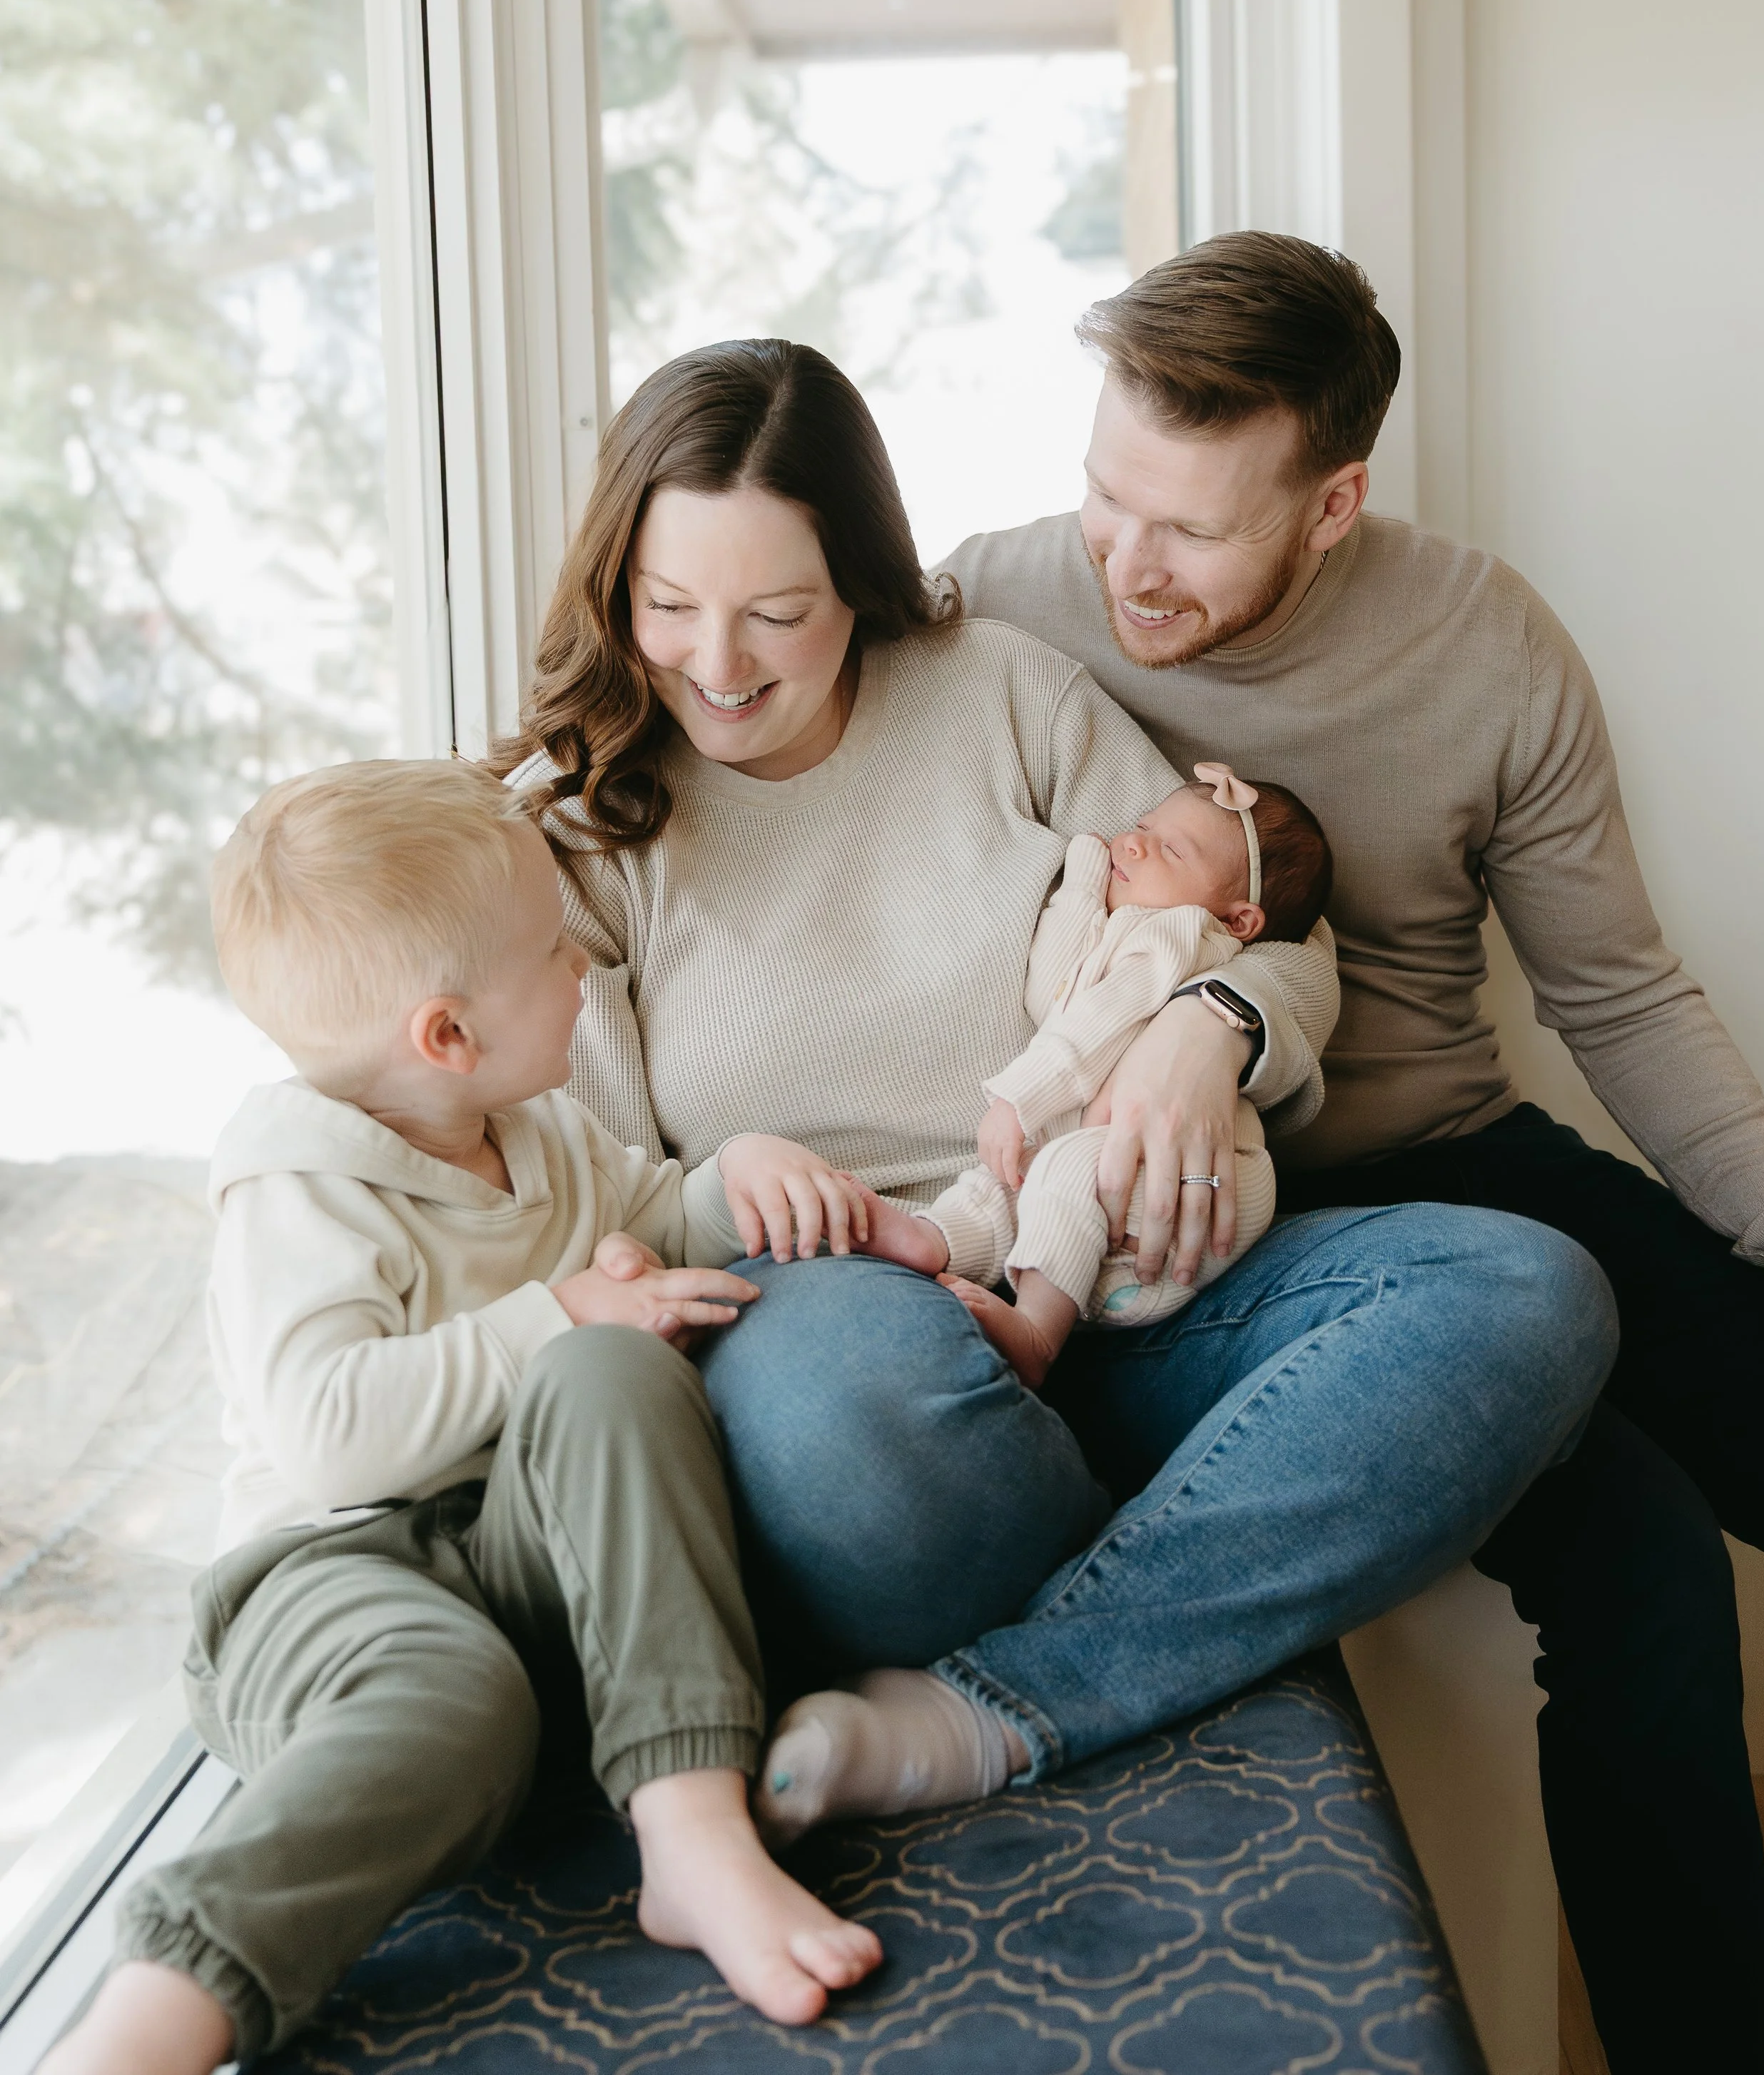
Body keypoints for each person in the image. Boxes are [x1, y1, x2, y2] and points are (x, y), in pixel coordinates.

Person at [494, 338, 1615, 1874]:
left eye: (779, 611)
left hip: (1129, 1285)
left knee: (1525, 1288)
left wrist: (1205, 1032)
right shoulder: (579, 832)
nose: (719, 664)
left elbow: (1256, 922)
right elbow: (580, 1182)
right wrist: (726, 1187)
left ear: (860, 580)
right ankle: (1185, 1566)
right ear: (613, 587)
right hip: (851, 1334)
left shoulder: (997, 692)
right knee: (845, 1407)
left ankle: (1006, 1698)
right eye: (667, 606)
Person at [936, 231, 1764, 2072]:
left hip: (1465, 1152)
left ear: (1333, 505)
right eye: (1104, 493)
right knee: (1644, 1563)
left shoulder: (1485, 639)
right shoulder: (993, 611)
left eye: (1188, 527)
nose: (1124, 561)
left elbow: (1622, 998)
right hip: (1203, 1219)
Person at [43, 759, 882, 2075]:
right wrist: (558, 1312)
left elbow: (651, 1216)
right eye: (554, 953)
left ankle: (689, 1826)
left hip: (506, 1557)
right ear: (447, 1035)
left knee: (614, 1375)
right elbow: (330, 1433)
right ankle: (157, 2012)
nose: (583, 975)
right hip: (324, 1581)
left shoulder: (537, 1131)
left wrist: (734, 1185)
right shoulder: (297, 1188)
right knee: (455, 1700)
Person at [916, 766, 1332, 1387]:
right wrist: (1084, 879)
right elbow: (1051, 990)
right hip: (1112, 1169)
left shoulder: (1182, 935)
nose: (1133, 843)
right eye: (1142, 826)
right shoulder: (1130, 926)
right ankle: (931, 1239)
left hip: (1193, 1188)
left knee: (1061, 1171)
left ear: (1239, 920)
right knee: (1010, 1179)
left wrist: (1018, 1100)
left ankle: (1036, 1333)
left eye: (1170, 848)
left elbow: (1091, 1027)